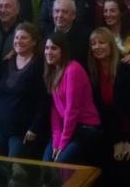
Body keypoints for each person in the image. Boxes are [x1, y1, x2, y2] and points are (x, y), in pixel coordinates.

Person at [88, 28, 130, 186]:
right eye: (93, 44)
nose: (97, 47)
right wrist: (117, 141)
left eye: (101, 42)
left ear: (111, 45)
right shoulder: (94, 73)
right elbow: (105, 112)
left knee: (129, 168)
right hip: (114, 131)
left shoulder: (127, 68)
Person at [0, 23, 49, 159]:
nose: (18, 41)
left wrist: (34, 128)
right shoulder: (6, 62)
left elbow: (43, 101)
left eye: (24, 38)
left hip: (22, 130)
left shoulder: (40, 66)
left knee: (15, 168)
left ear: (34, 42)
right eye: (16, 37)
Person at [42, 32, 102, 164]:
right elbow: (55, 109)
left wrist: (62, 145)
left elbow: (72, 110)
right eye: (46, 48)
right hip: (68, 128)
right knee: (46, 161)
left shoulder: (73, 69)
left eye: (54, 48)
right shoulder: (53, 71)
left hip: (85, 128)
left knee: (60, 163)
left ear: (63, 51)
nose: (49, 52)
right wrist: (57, 140)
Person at [50, 0, 92, 68]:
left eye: (64, 12)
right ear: (52, 13)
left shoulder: (86, 35)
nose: (60, 15)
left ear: (73, 15)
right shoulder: (46, 33)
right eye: (57, 11)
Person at [101, 0, 130, 64]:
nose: (108, 14)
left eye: (112, 11)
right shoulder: (101, 34)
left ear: (121, 12)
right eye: (105, 11)